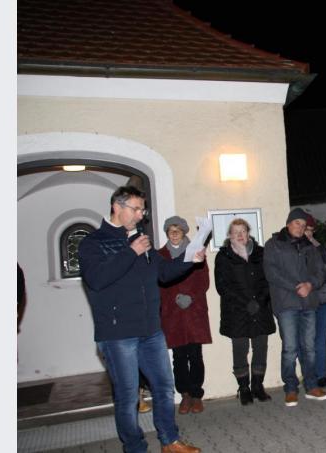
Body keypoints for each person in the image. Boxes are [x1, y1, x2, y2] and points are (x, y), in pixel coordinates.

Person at [79, 186, 203, 453]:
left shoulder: (141, 240)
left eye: (142, 210)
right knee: (127, 397)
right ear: (117, 206)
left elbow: (164, 273)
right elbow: (97, 280)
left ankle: (170, 441)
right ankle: (134, 448)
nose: (140, 215)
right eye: (135, 209)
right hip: (117, 334)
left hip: (151, 330)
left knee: (164, 388)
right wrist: (130, 251)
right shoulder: (93, 242)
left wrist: (190, 259)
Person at [263, 208, 326, 407]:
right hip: (286, 303)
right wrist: (295, 287)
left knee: (309, 347)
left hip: (308, 302)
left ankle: (311, 385)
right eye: (296, 223)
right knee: (290, 348)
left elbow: (320, 272)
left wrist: (310, 285)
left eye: (303, 225)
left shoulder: (310, 246)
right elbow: (271, 272)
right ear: (288, 224)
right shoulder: (274, 244)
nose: (300, 228)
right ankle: (291, 389)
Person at [215, 218, 276, 405]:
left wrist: (258, 301)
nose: (240, 235)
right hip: (236, 311)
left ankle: (258, 386)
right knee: (240, 349)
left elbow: (269, 279)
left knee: (260, 348)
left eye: (243, 231)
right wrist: (245, 303)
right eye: (236, 232)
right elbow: (222, 286)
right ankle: (244, 388)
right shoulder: (224, 256)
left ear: (249, 233)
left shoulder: (261, 253)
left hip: (260, 308)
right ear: (230, 235)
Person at [157, 216, 212, 415]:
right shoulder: (160, 255)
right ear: (166, 233)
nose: (174, 233)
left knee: (195, 355)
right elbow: (159, 282)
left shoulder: (196, 251)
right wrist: (174, 299)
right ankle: (185, 395)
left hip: (194, 311)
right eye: (170, 230)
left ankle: (197, 395)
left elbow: (203, 280)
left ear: (184, 232)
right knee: (179, 358)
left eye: (178, 229)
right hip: (173, 314)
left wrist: (191, 297)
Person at [302, 213, 326, 388]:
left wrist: (322, 277)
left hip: (323, 298)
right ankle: (309, 374)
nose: (308, 234)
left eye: (310, 230)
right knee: (307, 340)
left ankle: (321, 374)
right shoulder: (296, 248)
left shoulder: (321, 248)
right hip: (306, 301)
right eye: (305, 230)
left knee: (321, 339)